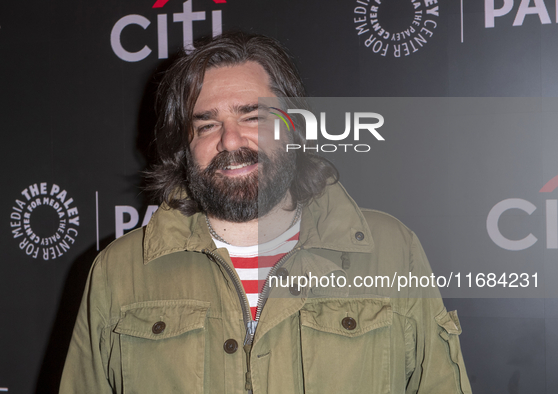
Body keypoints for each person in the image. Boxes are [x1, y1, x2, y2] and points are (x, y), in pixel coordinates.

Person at [59, 32, 472, 393]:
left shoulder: (391, 250)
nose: (230, 140)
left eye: (252, 116)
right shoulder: (120, 271)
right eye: (206, 125)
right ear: (185, 148)